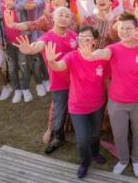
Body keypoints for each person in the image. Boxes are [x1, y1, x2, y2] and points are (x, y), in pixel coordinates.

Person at [79, 12, 138, 178]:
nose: (125, 31)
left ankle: (136, 159)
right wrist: (92, 55)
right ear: (118, 29)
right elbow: (103, 54)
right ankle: (123, 160)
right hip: (117, 102)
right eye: (122, 28)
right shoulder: (112, 49)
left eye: (128, 28)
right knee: (119, 134)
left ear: (136, 29)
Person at [45, 26, 110, 178]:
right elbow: (59, 66)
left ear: (94, 41)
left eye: (87, 38)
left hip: (98, 104)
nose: (82, 41)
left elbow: (106, 80)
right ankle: (84, 162)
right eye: (80, 38)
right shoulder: (72, 56)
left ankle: (94, 153)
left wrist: (109, 102)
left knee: (94, 135)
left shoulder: (102, 58)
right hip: (77, 106)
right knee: (82, 140)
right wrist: (51, 61)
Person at [14, 7, 78, 154]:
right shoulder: (47, 38)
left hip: (76, 81)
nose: (63, 18)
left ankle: (80, 133)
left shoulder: (74, 36)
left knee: (77, 108)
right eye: (60, 15)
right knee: (59, 111)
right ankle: (58, 137)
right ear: (53, 18)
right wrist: (29, 50)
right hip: (59, 83)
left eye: (67, 16)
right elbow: (37, 46)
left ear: (70, 20)